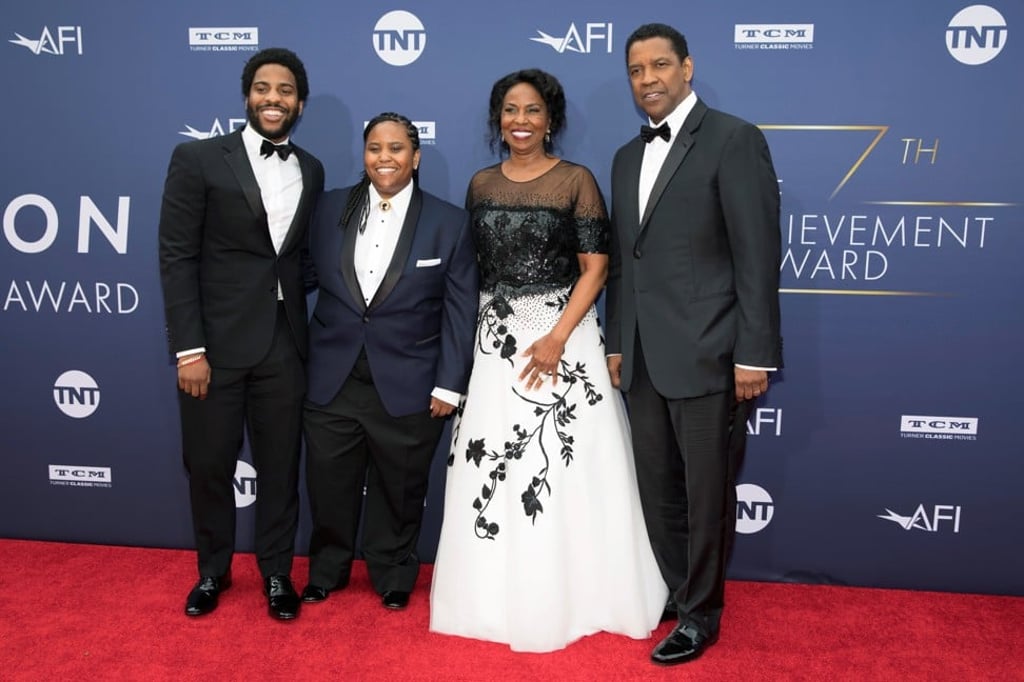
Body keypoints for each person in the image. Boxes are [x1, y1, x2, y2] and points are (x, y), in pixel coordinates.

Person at [430, 69, 667, 652]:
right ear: (498, 119)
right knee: (495, 463)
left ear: (551, 120)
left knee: (568, 467)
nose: (521, 121)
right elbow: (474, 272)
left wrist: (558, 336)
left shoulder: (575, 180)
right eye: (511, 110)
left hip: (563, 339)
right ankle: (493, 599)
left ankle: (581, 596)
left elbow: (596, 268)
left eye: (533, 110)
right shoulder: (481, 184)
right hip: (495, 344)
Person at [606, 23, 784, 665]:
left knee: (706, 494)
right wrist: (617, 340)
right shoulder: (625, 158)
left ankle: (701, 616)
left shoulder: (734, 139)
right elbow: (625, 261)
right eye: (636, 70)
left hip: (711, 352)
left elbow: (756, 255)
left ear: (687, 68)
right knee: (659, 490)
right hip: (642, 357)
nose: (647, 79)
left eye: (659, 65)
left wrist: (753, 353)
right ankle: (681, 594)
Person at [158, 47, 324, 620]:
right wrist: (190, 350)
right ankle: (213, 570)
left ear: (299, 104)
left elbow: (298, 258)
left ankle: (277, 573)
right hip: (214, 346)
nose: (273, 98)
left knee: (280, 466)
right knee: (209, 464)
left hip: (285, 343)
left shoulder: (311, 168)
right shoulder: (198, 158)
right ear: (247, 96)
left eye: (285, 90)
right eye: (262, 88)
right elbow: (177, 257)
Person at [301, 112, 478, 611]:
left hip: (410, 379)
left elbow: (461, 309)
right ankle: (326, 570)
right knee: (328, 483)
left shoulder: (449, 223)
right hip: (332, 375)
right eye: (375, 148)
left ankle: (394, 572)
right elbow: (299, 274)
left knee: (400, 488)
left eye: (396, 148)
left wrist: (449, 383)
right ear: (364, 155)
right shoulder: (328, 208)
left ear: (415, 158)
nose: (385, 158)